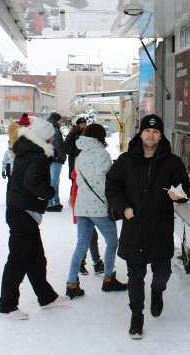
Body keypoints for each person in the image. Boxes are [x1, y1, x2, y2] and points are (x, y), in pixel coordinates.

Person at [105, 114, 190, 339]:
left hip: (160, 229)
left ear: (160, 136)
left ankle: (157, 291)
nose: (151, 135)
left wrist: (178, 195)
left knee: (162, 274)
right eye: (147, 131)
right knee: (136, 276)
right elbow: (112, 187)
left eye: (155, 132)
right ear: (140, 133)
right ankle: (136, 318)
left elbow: (184, 190)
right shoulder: (125, 161)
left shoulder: (173, 162)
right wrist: (124, 208)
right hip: (134, 229)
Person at [0, 117, 69, 319]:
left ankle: (47, 297)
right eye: (51, 136)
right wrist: (47, 192)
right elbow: (32, 182)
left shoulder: (28, 150)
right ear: (44, 136)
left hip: (21, 210)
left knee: (36, 259)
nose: (53, 138)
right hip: (23, 212)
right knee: (18, 260)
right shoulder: (37, 156)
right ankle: (7, 306)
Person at [66, 123, 127, 299]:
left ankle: (71, 283)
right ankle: (108, 279)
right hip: (99, 208)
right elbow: (110, 180)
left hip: (82, 207)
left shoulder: (80, 155)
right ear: (100, 136)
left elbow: (76, 180)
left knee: (81, 245)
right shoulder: (103, 154)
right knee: (112, 242)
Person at [64, 117, 103, 274]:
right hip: (85, 199)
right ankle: (87, 264)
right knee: (88, 236)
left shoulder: (83, 151)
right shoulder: (85, 152)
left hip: (83, 198)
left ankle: (93, 262)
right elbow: (76, 176)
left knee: (89, 235)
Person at [45, 112, 66, 212]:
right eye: (60, 119)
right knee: (53, 182)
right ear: (56, 119)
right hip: (55, 158)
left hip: (49, 157)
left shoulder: (47, 127)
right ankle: (49, 203)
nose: (61, 121)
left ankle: (56, 202)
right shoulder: (55, 129)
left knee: (55, 181)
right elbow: (58, 145)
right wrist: (62, 157)